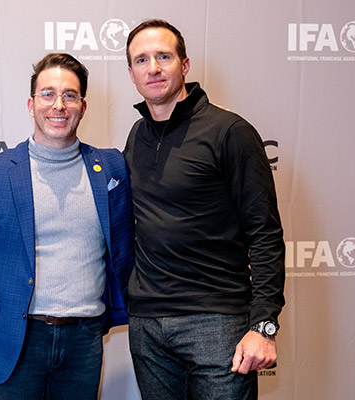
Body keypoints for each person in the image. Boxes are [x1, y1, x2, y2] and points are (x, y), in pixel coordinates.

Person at [0, 52, 134, 399]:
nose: (59, 105)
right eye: (48, 94)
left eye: (70, 95)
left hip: (84, 340)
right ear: (31, 104)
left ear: (83, 105)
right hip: (13, 340)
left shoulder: (112, 167)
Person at [123, 19, 286, 400]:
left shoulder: (229, 132)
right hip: (147, 326)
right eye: (141, 60)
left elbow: (265, 234)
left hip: (217, 323)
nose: (153, 68)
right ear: (130, 73)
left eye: (164, 56)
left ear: (185, 64)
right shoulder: (136, 135)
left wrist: (263, 327)